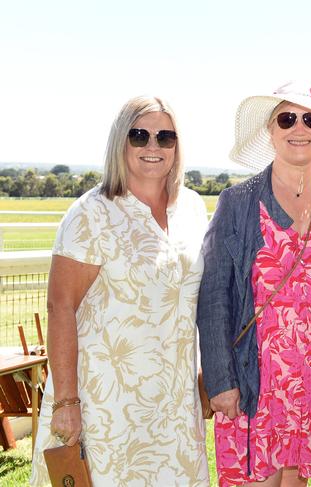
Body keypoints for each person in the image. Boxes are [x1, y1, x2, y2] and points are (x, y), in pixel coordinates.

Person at [196, 81, 311, 487]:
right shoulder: (238, 202)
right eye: (287, 118)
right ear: (271, 130)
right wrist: (221, 381)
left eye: (310, 119)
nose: (299, 127)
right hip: (253, 379)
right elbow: (214, 299)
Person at [30, 96, 210, 486]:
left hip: (174, 405)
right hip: (106, 404)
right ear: (119, 142)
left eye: (165, 137)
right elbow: (61, 307)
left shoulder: (193, 209)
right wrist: (66, 402)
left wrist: (201, 372)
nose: (152, 147)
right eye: (139, 135)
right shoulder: (91, 213)